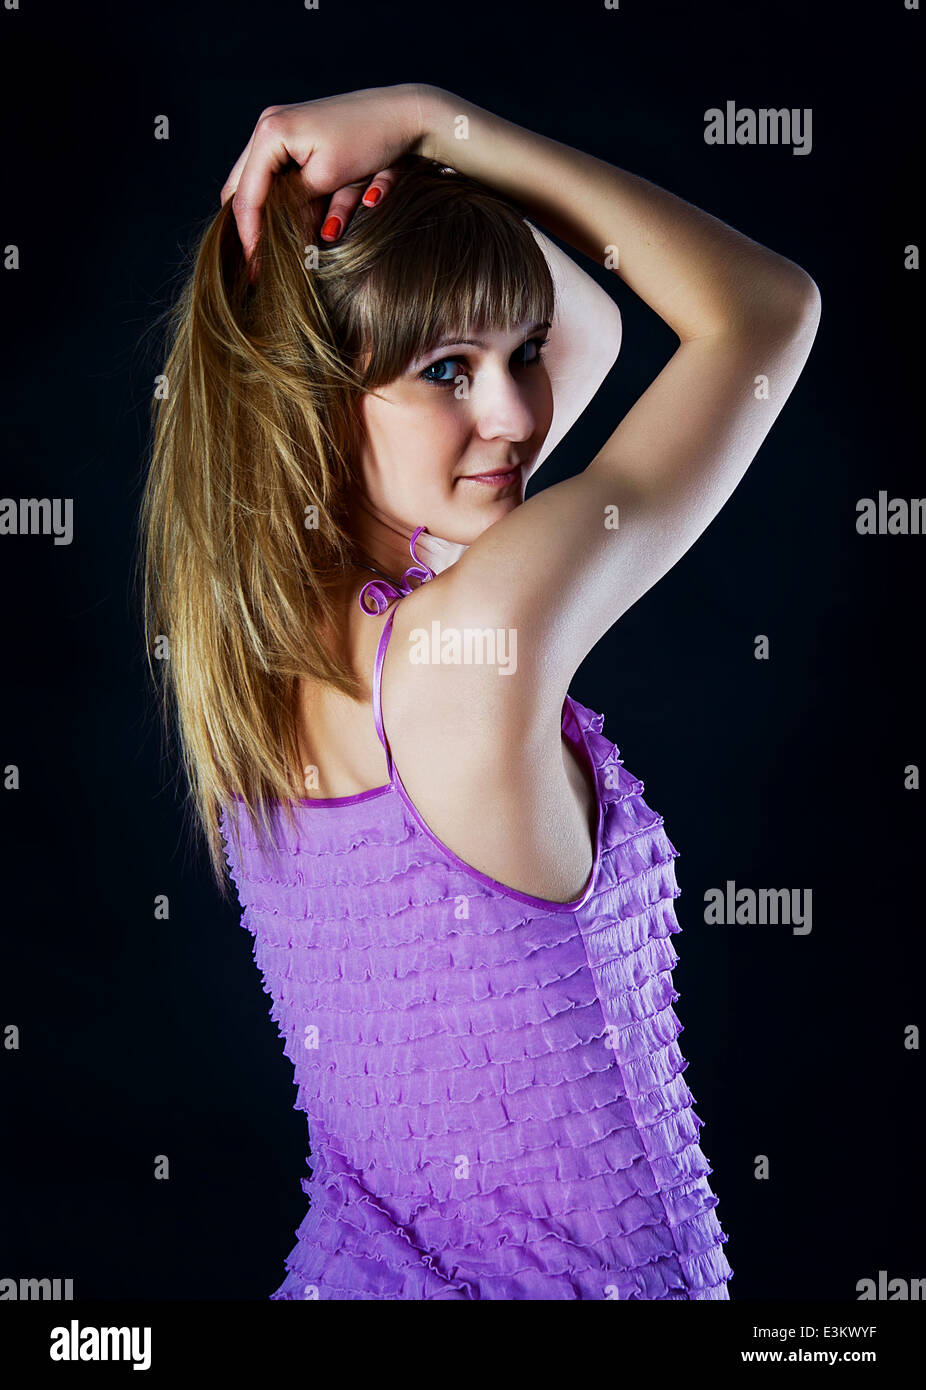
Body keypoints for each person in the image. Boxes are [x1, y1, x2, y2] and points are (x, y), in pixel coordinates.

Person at [138, 83, 820, 1299]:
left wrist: (429, 237)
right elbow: (764, 315)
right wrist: (435, 124)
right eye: (448, 369)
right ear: (312, 403)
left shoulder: (234, 644)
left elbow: (587, 335)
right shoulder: (476, 636)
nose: (513, 410)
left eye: (512, 357)